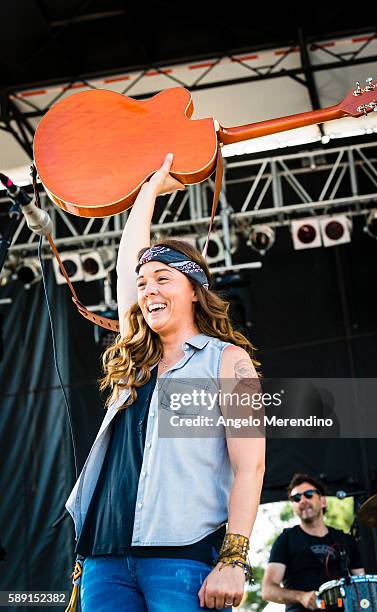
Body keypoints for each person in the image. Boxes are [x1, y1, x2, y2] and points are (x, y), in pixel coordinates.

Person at [65, 153, 265, 611]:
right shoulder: (135, 358)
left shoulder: (228, 362)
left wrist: (234, 558)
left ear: (194, 289)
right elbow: (124, 271)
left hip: (184, 558)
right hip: (105, 558)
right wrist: (150, 190)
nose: (148, 289)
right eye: (142, 283)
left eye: (162, 278)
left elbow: (249, 467)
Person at [261, 473, 364, 611]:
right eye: (296, 498)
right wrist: (300, 597)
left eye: (308, 494)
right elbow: (267, 590)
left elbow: (362, 585)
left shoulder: (345, 540)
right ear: (293, 506)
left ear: (323, 501)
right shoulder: (285, 540)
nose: (302, 500)